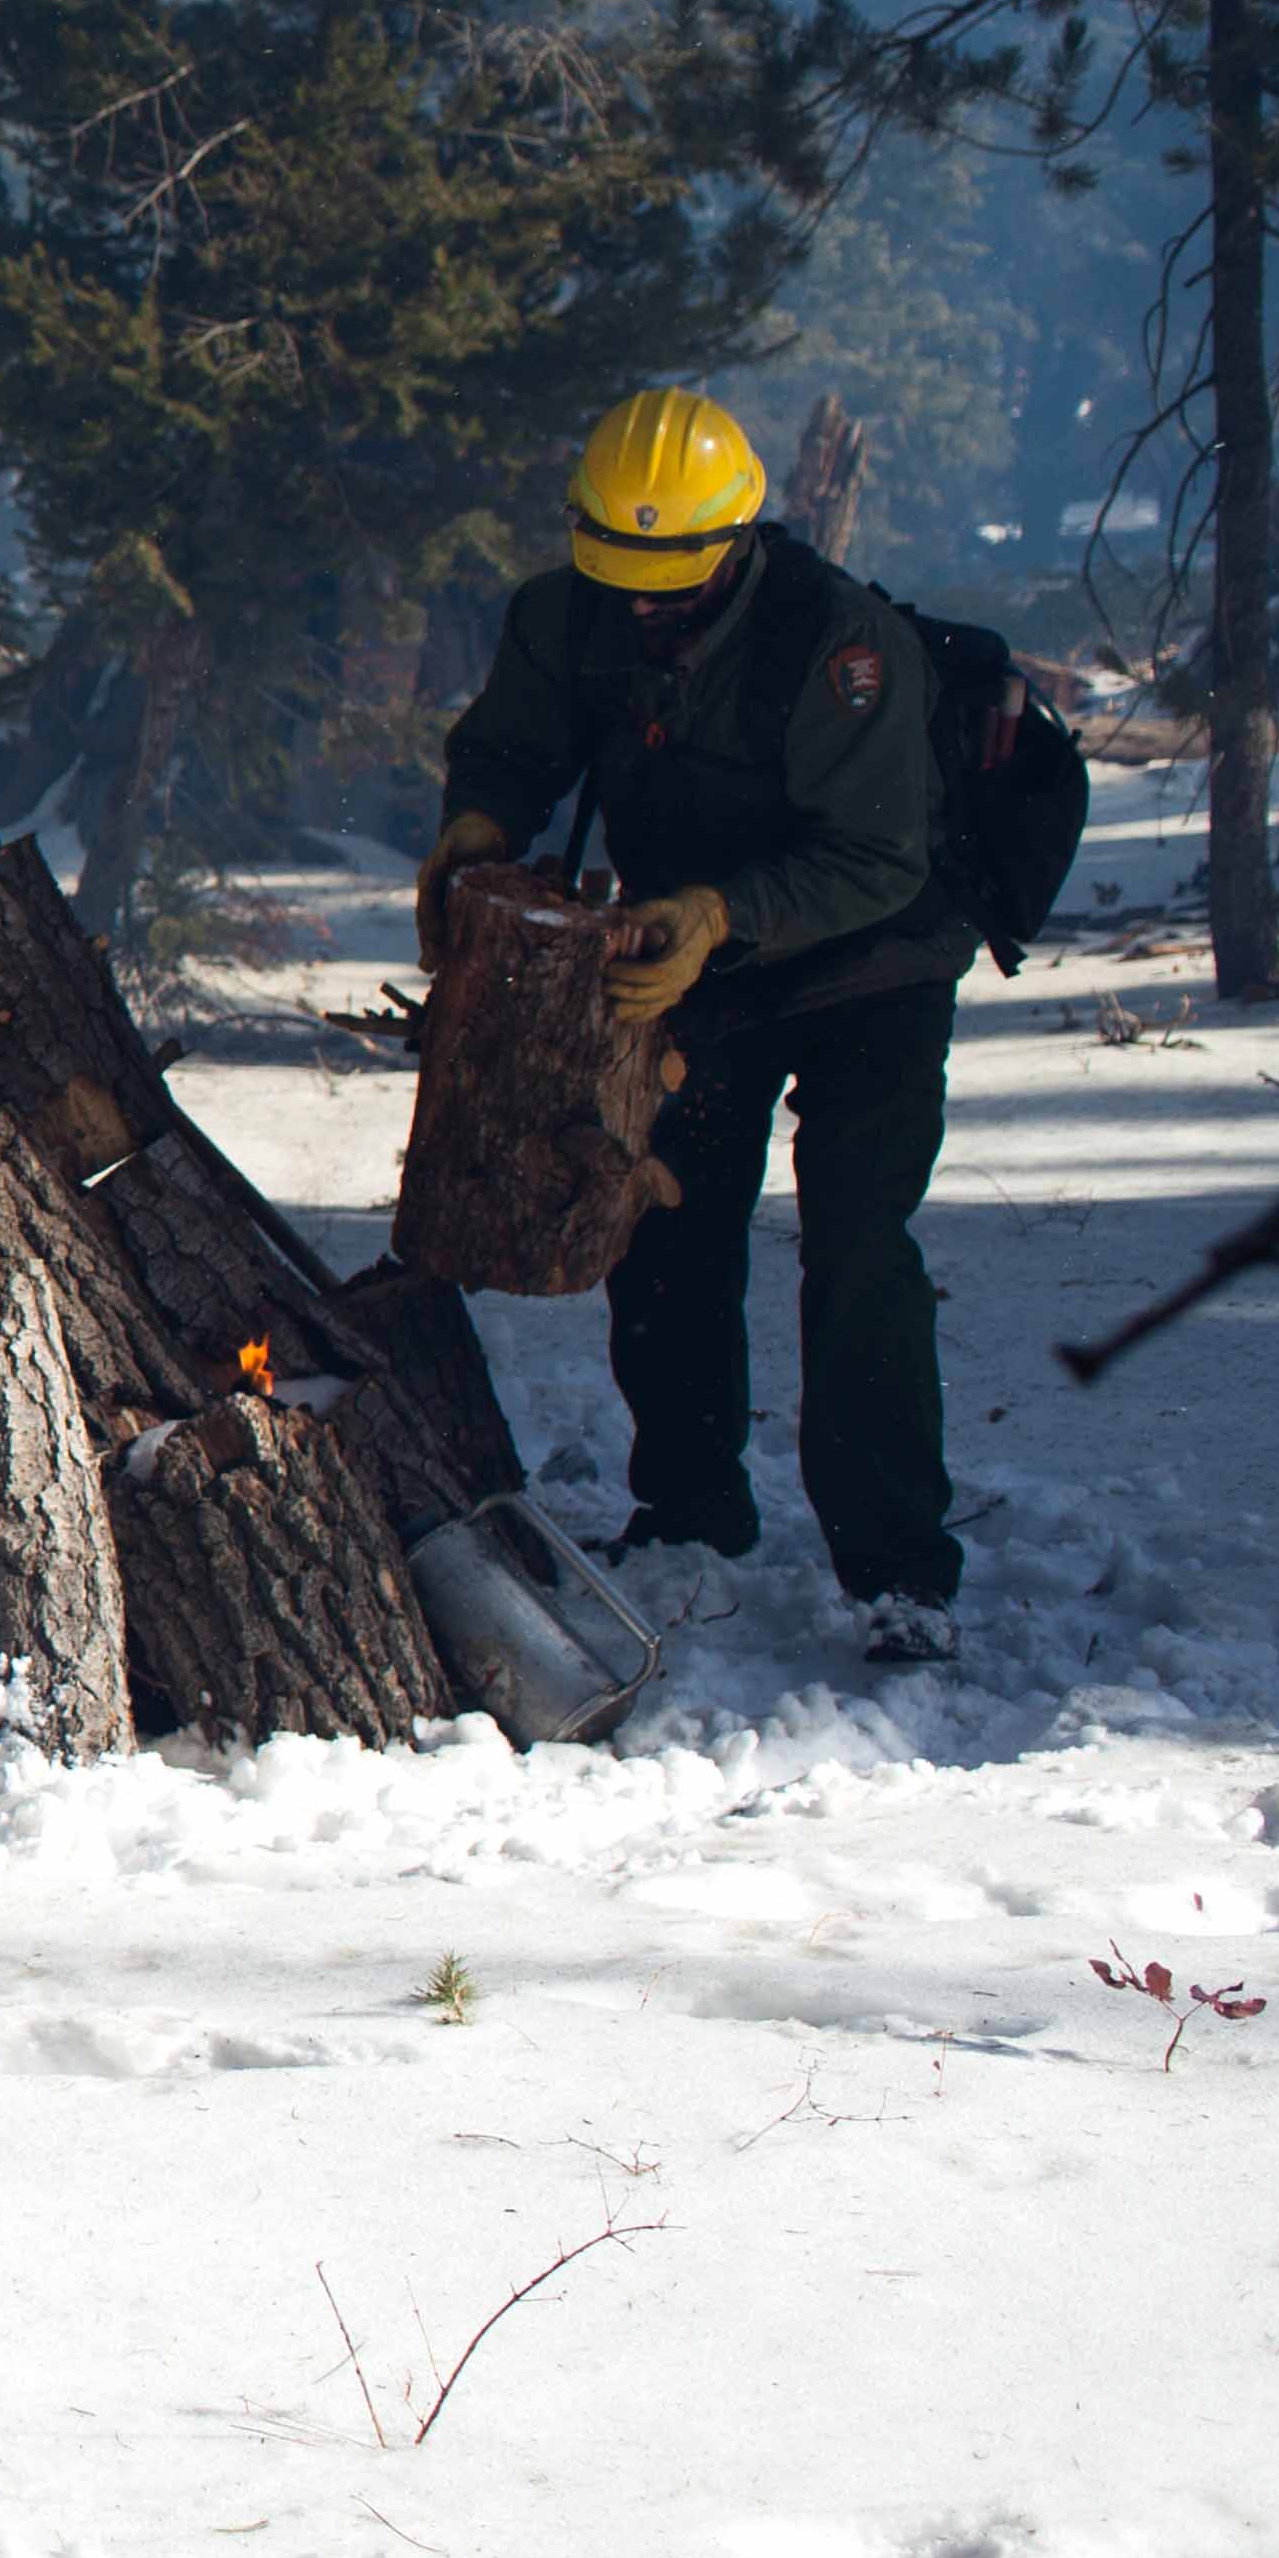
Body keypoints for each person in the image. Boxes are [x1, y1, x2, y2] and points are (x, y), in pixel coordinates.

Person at [423, 388, 978, 1667]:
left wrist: (724, 912)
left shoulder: (844, 646)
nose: (646, 607)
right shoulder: (568, 616)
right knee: (664, 1217)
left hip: (871, 964)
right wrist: (478, 829)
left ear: (735, 539)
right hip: (689, 967)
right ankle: (690, 1513)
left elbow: (878, 857)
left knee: (857, 1245)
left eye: (672, 583)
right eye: (622, 576)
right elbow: (511, 748)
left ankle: (899, 1565)